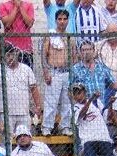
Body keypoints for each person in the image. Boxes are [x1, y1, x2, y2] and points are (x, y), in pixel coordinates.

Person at [0, 45, 42, 132]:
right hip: (5, 113)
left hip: (24, 112)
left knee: (25, 136)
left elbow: (34, 89)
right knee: (7, 138)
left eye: (12, 54)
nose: (10, 57)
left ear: (16, 54)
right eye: (7, 55)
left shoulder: (26, 69)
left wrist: (38, 106)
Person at [41, 8, 73, 136]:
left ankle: (65, 126)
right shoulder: (50, 35)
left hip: (67, 73)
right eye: (60, 19)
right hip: (54, 72)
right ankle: (46, 127)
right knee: (51, 102)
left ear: (68, 20)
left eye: (65, 19)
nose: (62, 21)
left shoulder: (70, 36)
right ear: (55, 20)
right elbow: (43, 55)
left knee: (67, 101)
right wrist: (46, 72)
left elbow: (74, 56)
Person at [0, 0, 35, 66]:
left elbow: (29, 24)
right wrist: (15, 7)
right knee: (9, 72)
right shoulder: (3, 5)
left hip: (26, 50)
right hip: (9, 51)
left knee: (27, 72)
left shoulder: (29, 5)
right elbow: (7, 24)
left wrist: (20, 7)